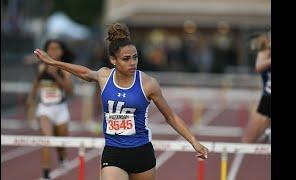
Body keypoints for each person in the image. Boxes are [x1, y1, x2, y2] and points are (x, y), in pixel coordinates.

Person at [34, 23, 208, 180]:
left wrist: (194, 141)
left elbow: (170, 116)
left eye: (135, 57)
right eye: (126, 59)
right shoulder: (104, 76)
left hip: (141, 154)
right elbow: (84, 73)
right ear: (113, 60)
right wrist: (53, 62)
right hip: (113, 153)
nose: (132, 63)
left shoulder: (148, 84)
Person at [26, 39, 75, 179]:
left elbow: (70, 91)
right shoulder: (40, 67)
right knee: (46, 140)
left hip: (61, 109)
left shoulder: (65, 69)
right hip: (44, 109)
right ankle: (46, 175)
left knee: (60, 143)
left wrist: (54, 75)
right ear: (46, 51)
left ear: (62, 51)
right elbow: (36, 84)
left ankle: (62, 157)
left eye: (57, 48)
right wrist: (30, 99)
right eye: (51, 49)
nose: (54, 51)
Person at [242, 31, 271, 143]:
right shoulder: (264, 52)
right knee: (249, 137)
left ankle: (266, 133)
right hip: (268, 95)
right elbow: (259, 67)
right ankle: (264, 134)